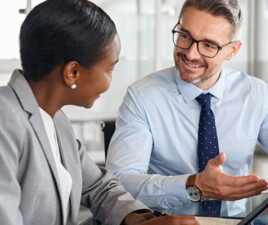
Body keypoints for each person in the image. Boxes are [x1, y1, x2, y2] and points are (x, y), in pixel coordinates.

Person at [106, 0, 268, 217]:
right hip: (168, 223)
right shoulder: (142, 96)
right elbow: (120, 182)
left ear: (232, 51)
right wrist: (194, 186)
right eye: (184, 36)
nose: (190, 54)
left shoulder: (256, 95)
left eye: (208, 45)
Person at [0, 0, 199, 225]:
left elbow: (98, 186)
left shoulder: (55, 120)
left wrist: (136, 219)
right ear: (73, 72)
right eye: (109, 69)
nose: (110, 82)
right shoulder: (5, 120)